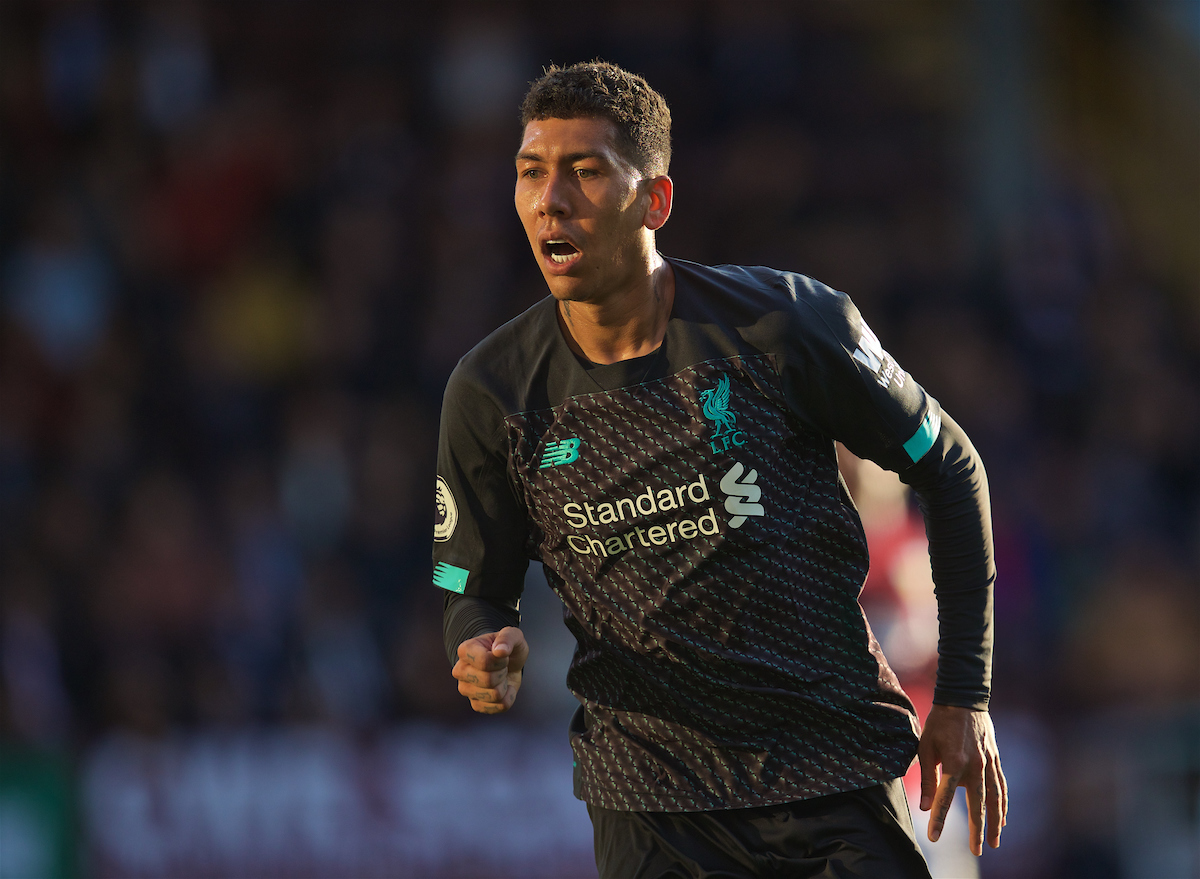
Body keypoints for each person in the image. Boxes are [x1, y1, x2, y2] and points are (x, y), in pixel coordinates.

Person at [435, 61, 1006, 879]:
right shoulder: (492, 393)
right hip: (651, 804)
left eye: (585, 172)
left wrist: (964, 695)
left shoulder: (786, 328)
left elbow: (951, 467)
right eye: (531, 173)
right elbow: (472, 587)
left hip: (828, 773)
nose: (549, 199)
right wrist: (479, 643)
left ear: (655, 201)